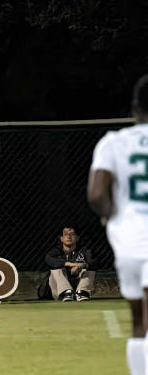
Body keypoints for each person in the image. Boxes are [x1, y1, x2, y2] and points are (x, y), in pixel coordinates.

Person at [87, 74, 148, 375]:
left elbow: (97, 194)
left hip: (129, 238)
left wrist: (108, 213)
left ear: (135, 108)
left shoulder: (113, 142)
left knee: (139, 321)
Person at [44, 226, 98, 302]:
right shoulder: (56, 251)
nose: (69, 236)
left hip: (78, 286)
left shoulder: (85, 250)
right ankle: (66, 292)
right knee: (56, 269)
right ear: (61, 238)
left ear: (77, 238)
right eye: (65, 234)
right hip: (58, 289)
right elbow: (48, 259)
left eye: (72, 234)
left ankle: (82, 293)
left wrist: (82, 265)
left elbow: (94, 262)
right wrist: (71, 264)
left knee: (88, 268)